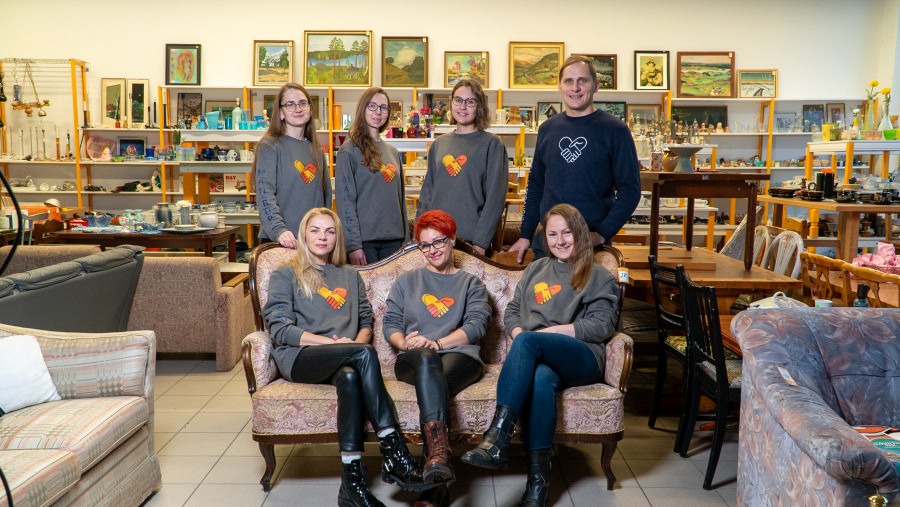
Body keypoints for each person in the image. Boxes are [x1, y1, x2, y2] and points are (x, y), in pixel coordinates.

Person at [263, 208, 431, 506]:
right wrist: (331, 344)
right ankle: (394, 449)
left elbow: (366, 322)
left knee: (351, 377)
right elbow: (279, 328)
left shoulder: (349, 276)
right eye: (315, 230)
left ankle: (351, 483)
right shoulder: (286, 274)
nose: (322, 237)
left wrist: (353, 345)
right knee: (362, 354)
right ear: (304, 234)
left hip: (346, 356)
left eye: (330, 231)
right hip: (301, 356)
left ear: (337, 237)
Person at [461, 204, 619, 507]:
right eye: (553, 234)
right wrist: (519, 332)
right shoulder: (536, 268)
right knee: (541, 378)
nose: (560, 241)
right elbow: (512, 310)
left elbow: (602, 325)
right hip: (538, 354)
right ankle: (538, 482)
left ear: (579, 233)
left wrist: (550, 333)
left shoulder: (597, 274)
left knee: (529, 343)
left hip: (582, 356)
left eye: (566, 233)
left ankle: (497, 438)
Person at [383, 210, 491, 506]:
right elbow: (390, 324)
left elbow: (476, 326)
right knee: (426, 359)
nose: (432, 250)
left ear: (453, 239)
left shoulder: (471, 283)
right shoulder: (407, 281)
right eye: (425, 245)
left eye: (439, 241)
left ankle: (436, 481)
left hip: (460, 357)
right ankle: (440, 459)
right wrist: (405, 343)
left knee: (433, 374)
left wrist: (437, 342)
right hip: (414, 358)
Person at [508, 55, 641, 263]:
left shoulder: (615, 130)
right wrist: (526, 234)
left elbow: (630, 190)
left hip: (590, 245)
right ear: (559, 86)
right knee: (542, 286)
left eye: (582, 81)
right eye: (568, 81)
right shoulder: (548, 129)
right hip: (548, 244)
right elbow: (536, 186)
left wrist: (602, 234)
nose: (575, 88)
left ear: (596, 85)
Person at [416, 79, 508, 256]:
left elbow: (495, 199)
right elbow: (427, 193)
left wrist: (481, 243)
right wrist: (420, 234)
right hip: (436, 239)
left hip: (471, 242)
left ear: (479, 106)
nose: (463, 107)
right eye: (458, 100)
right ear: (451, 103)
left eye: (470, 102)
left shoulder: (492, 144)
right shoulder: (439, 144)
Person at [336, 87, 408, 264]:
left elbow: (400, 201)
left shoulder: (393, 152)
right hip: (365, 243)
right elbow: (345, 201)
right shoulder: (348, 151)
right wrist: (353, 245)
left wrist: (406, 240)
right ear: (363, 108)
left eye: (383, 107)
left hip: (395, 240)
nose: (378, 112)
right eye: (372, 106)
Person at [255, 83, 331, 248]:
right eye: (290, 104)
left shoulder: (316, 149)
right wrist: (279, 230)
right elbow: (264, 194)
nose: (298, 108)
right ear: (281, 113)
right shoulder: (269, 146)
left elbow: (325, 198)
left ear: (310, 109)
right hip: (283, 240)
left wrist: (326, 232)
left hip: (313, 241)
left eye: (302, 103)